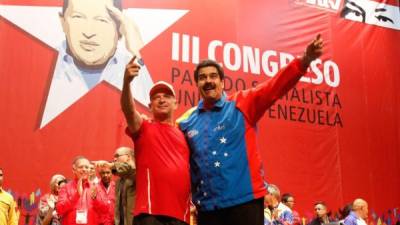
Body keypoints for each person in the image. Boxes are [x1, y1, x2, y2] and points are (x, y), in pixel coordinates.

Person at [177, 34, 324, 225]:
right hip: (207, 209)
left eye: (213, 76)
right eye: (202, 77)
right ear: (197, 84)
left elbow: (275, 87)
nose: (208, 81)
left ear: (222, 82)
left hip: (244, 203)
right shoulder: (187, 121)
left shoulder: (241, 104)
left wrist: (305, 60)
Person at [41, 0, 153, 128]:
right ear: (63, 22)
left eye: (101, 20)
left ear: (120, 27)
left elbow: (156, 112)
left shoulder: (135, 67)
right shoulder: (45, 64)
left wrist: (138, 53)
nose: (89, 33)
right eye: (78, 17)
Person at [121, 57, 191, 225]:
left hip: (181, 216)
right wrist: (126, 84)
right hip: (150, 214)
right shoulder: (143, 127)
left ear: (176, 103)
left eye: (166, 96)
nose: (161, 99)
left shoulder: (185, 133)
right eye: (156, 97)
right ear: (150, 105)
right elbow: (129, 110)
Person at [56, 156, 109, 225]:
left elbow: (105, 209)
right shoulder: (66, 187)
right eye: (81, 167)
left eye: (86, 167)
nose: (84, 169)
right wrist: (76, 195)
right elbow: (59, 210)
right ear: (74, 169)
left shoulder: (96, 187)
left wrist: (96, 199)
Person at [92, 146, 137, 225]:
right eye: (114, 157)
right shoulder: (119, 182)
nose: (115, 159)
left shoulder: (136, 173)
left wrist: (110, 165)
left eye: (117, 156)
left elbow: (131, 169)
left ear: (128, 157)